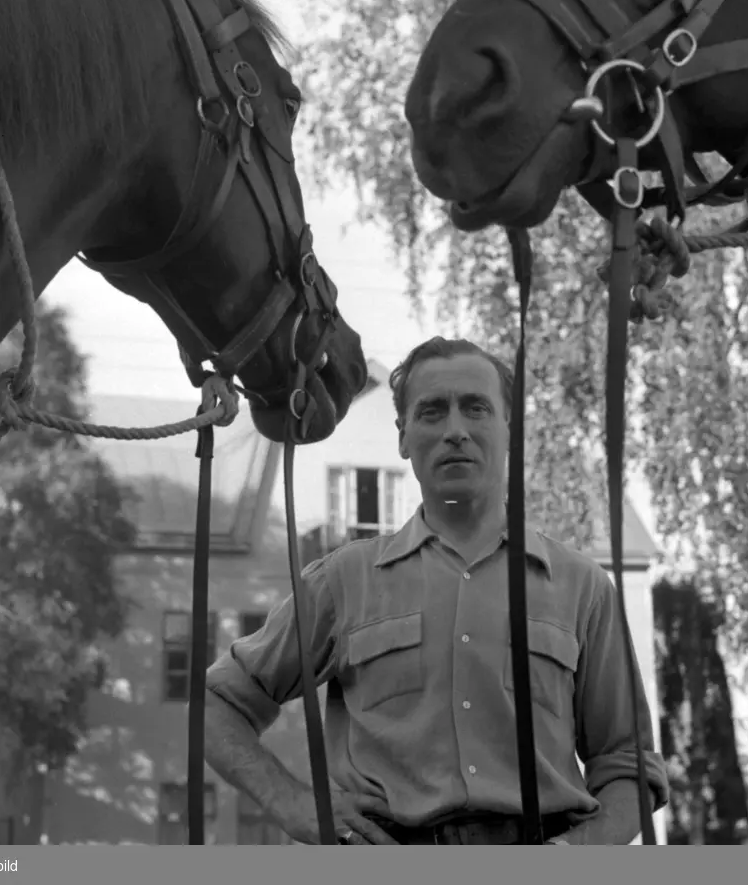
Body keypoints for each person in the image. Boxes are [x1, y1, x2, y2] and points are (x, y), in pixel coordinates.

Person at [204, 335, 668, 845]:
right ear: (403, 438)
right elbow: (216, 706)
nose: (455, 431)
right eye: (431, 412)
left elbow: (629, 764)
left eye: (476, 408)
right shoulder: (345, 580)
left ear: (508, 430)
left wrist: (576, 854)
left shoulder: (582, 587)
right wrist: (289, 800)